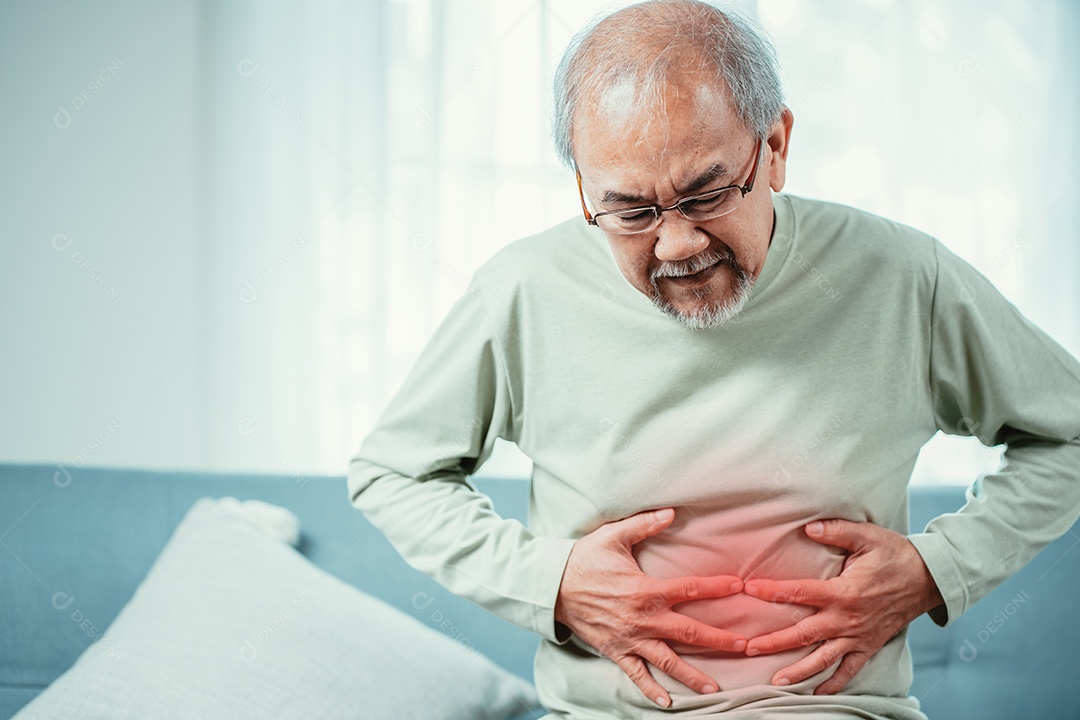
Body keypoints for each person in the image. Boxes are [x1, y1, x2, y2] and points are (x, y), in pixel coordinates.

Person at [347, 1, 1080, 717]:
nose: (677, 246)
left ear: (777, 147)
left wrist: (933, 571)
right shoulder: (524, 290)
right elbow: (393, 474)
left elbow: (1068, 432)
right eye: (631, 211)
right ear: (582, 193)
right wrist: (554, 582)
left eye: (706, 194)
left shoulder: (900, 274)